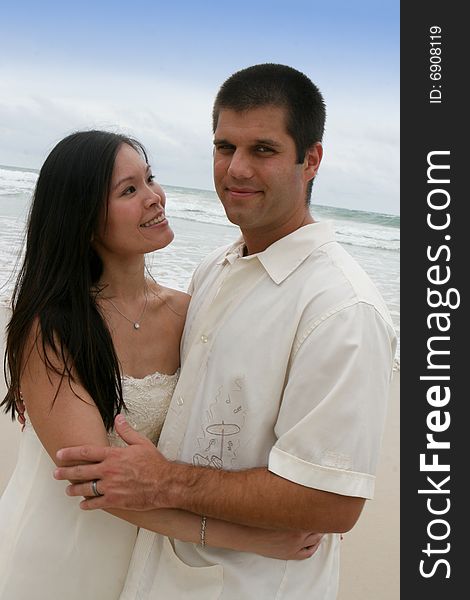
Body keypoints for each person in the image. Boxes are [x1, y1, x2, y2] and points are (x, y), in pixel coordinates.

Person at [55, 64, 397, 599]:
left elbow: (333, 502)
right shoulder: (214, 268)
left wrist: (163, 480)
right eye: (223, 147)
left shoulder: (341, 309)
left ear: (311, 159)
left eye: (263, 149)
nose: (236, 169)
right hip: (155, 577)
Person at [0, 129, 322, 600]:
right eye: (129, 191)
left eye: (150, 179)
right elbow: (95, 483)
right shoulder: (51, 328)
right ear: (84, 218)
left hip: (149, 567)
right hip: (55, 556)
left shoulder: (189, 313)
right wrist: (253, 536)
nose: (155, 198)